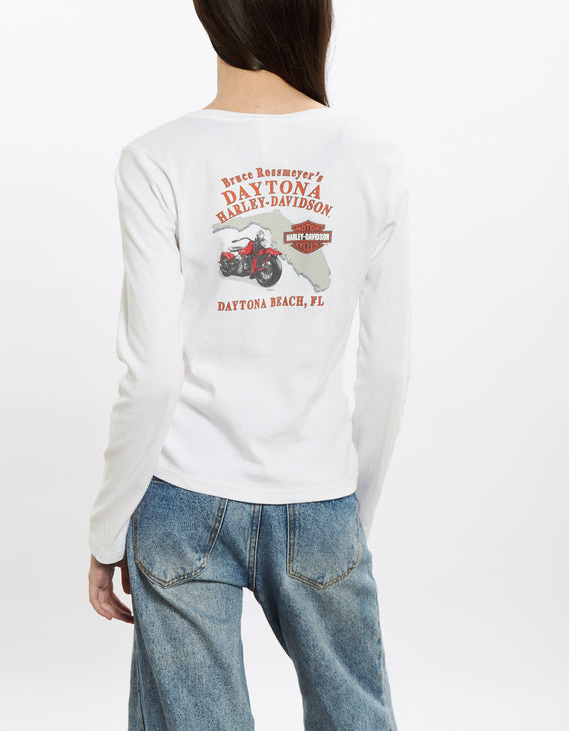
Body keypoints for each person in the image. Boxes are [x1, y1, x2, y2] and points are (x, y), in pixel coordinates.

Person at [88, 0, 411, 728]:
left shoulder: (157, 157)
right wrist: (347, 517)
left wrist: (107, 531)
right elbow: (388, 368)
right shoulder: (373, 156)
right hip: (319, 493)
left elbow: (152, 375)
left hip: (183, 495)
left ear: (210, 13)